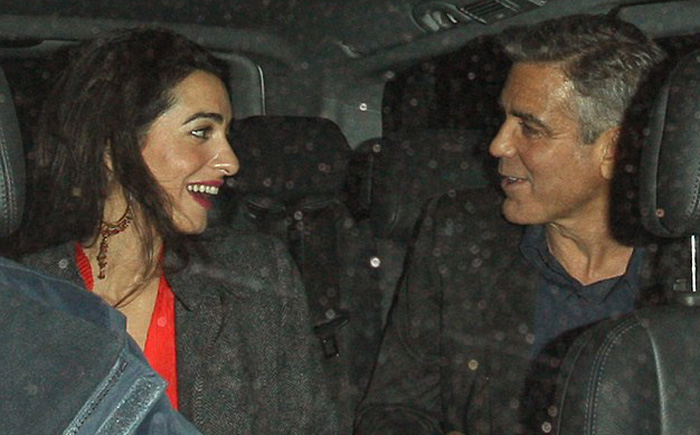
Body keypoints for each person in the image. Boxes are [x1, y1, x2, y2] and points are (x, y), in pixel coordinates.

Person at [355, 14, 666, 435]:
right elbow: (392, 411)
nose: (498, 145)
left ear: (613, 149)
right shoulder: (460, 237)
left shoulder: (686, 267)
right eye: (504, 119)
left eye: (530, 129)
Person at [18, 27, 337, 434]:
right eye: (201, 132)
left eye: (226, 135)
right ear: (112, 147)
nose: (231, 161)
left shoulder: (253, 276)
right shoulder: (25, 300)